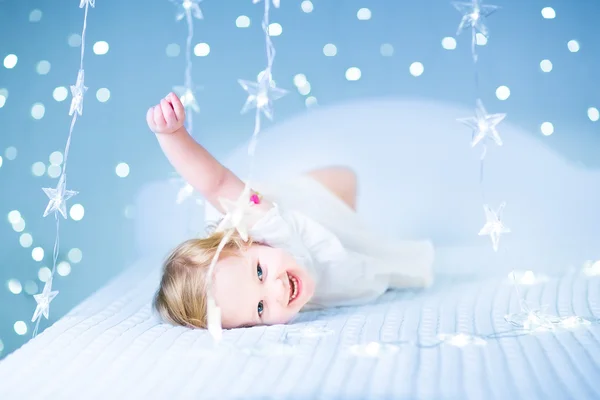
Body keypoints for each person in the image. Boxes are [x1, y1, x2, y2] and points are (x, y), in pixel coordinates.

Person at [149, 93, 434, 330]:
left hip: (306, 214)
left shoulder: (268, 231)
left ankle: (320, 206)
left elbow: (216, 183)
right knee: (375, 272)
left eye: (260, 272)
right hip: (333, 268)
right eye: (260, 308)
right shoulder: (290, 292)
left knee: (343, 179)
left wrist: (172, 135)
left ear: (248, 242)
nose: (277, 289)